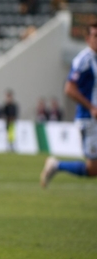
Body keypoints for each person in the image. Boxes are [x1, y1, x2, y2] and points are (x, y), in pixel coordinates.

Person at [40, 22, 97, 187]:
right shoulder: (83, 60)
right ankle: (56, 165)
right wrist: (91, 107)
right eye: (95, 36)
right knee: (93, 169)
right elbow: (69, 88)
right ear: (87, 39)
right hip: (89, 120)